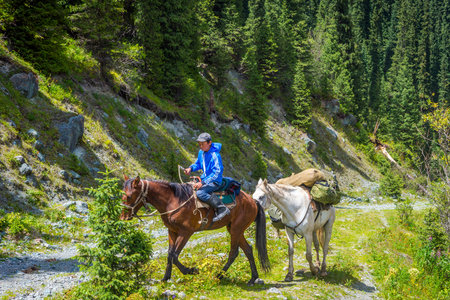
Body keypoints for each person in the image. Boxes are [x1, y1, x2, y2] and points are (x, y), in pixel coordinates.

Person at [184, 132, 230, 222]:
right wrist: (190, 168)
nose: (200, 146)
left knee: (200, 193)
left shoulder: (215, 155)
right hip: (205, 179)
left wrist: (202, 183)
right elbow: (198, 164)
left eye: (202, 144)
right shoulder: (201, 152)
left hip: (215, 181)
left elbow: (217, 171)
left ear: (209, 143)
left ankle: (221, 208)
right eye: (199, 144)